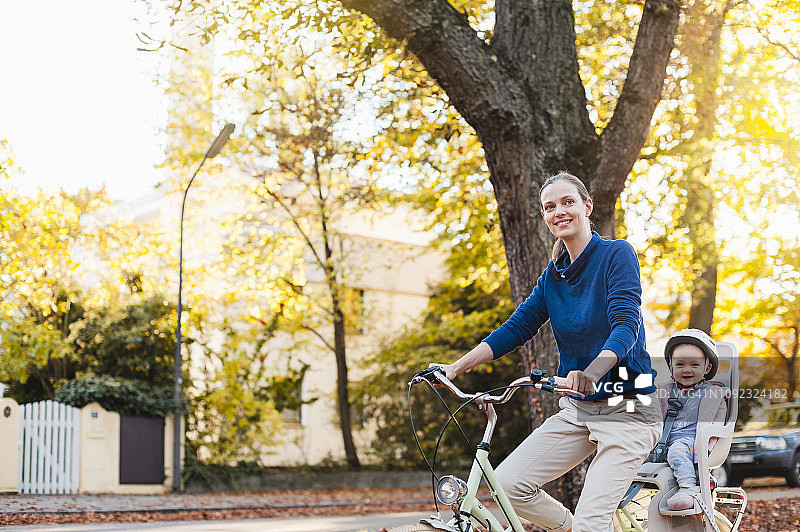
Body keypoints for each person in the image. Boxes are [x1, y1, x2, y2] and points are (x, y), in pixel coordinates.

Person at [432, 172, 662, 532]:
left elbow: (625, 325)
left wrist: (593, 372)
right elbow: (515, 328)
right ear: (544, 216)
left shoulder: (616, 255)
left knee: (593, 519)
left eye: (568, 202)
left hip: (627, 410)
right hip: (579, 410)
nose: (559, 212)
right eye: (550, 207)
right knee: (508, 486)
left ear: (587, 207)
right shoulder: (552, 278)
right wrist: (455, 368)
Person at [657, 329, 727, 511]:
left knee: (677, 451)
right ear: (671, 367)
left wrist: (707, 446)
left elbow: (718, 421)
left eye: (695, 365)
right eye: (680, 364)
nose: (686, 370)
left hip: (692, 442)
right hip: (661, 441)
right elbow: (650, 413)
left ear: (707, 367)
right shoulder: (663, 392)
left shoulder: (712, 394)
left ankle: (689, 488)